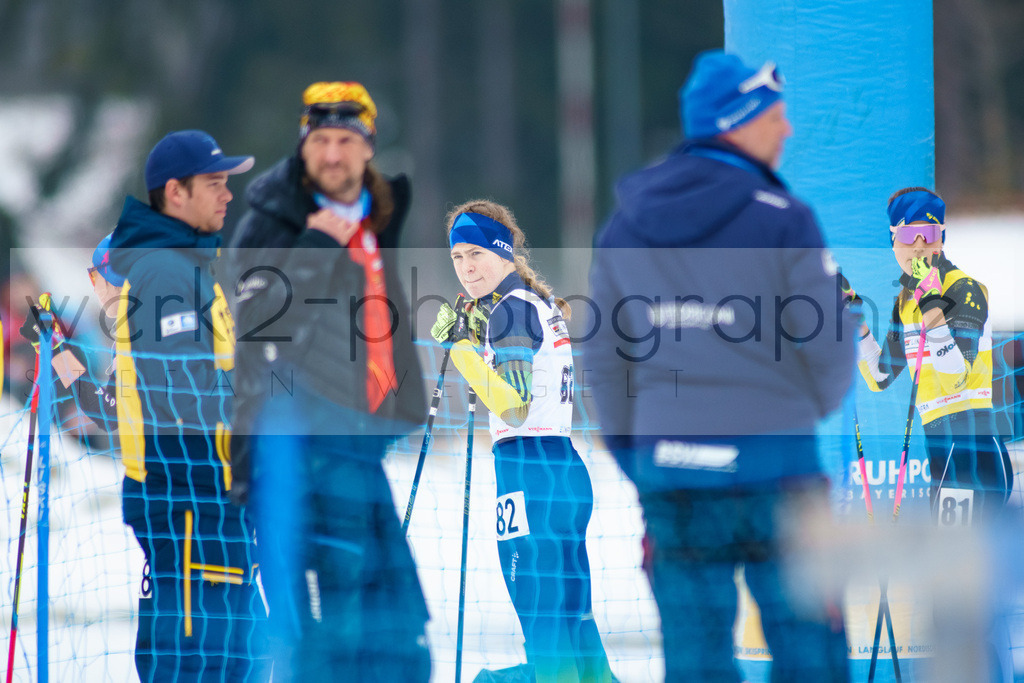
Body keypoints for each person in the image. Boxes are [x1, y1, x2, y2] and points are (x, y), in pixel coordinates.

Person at [583, 50, 856, 681]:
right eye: (776, 116)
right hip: (778, 473)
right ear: (736, 119)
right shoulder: (786, 218)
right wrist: (794, 416)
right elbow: (832, 352)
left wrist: (641, 448)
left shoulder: (623, 225)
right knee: (810, 649)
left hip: (672, 474)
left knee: (695, 654)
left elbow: (602, 355)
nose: (787, 130)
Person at [227, 81, 430, 681]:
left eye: (346, 140)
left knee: (397, 620)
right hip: (296, 452)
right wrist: (316, 247)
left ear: (368, 147)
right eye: (320, 141)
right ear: (303, 146)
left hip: (361, 443)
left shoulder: (377, 215)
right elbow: (258, 325)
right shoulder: (273, 221)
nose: (333, 154)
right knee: (328, 629)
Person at [431, 201, 616, 683]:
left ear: (503, 252)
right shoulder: (531, 303)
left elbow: (512, 405)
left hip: (529, 471)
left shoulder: (511, 310)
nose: (467, 268)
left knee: (543, 621)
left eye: (476, 255)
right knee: (573, 619)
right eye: (457, 258)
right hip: (561, 469)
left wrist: (462, 349)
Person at [107, 130, 269, 682]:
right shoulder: (166, 273)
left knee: (234, 654)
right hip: (190, 496)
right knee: (201, 661)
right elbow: (180, 393)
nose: (228, 196)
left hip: (209, 495)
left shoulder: (188, 267)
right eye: (215, 184)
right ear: (175, 192)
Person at [854, 187, 1012, 524]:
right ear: (893, 239)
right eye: (910, 234)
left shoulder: (963, 288)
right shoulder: (907, 300)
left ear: (942, 238)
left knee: (968, 566)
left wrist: (934, 314)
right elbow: (881, 377)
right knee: (955, 564)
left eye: (930, 233)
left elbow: (956, 377)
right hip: (940, 444)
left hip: (972, 443)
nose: (920, 246)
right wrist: (857, 328)